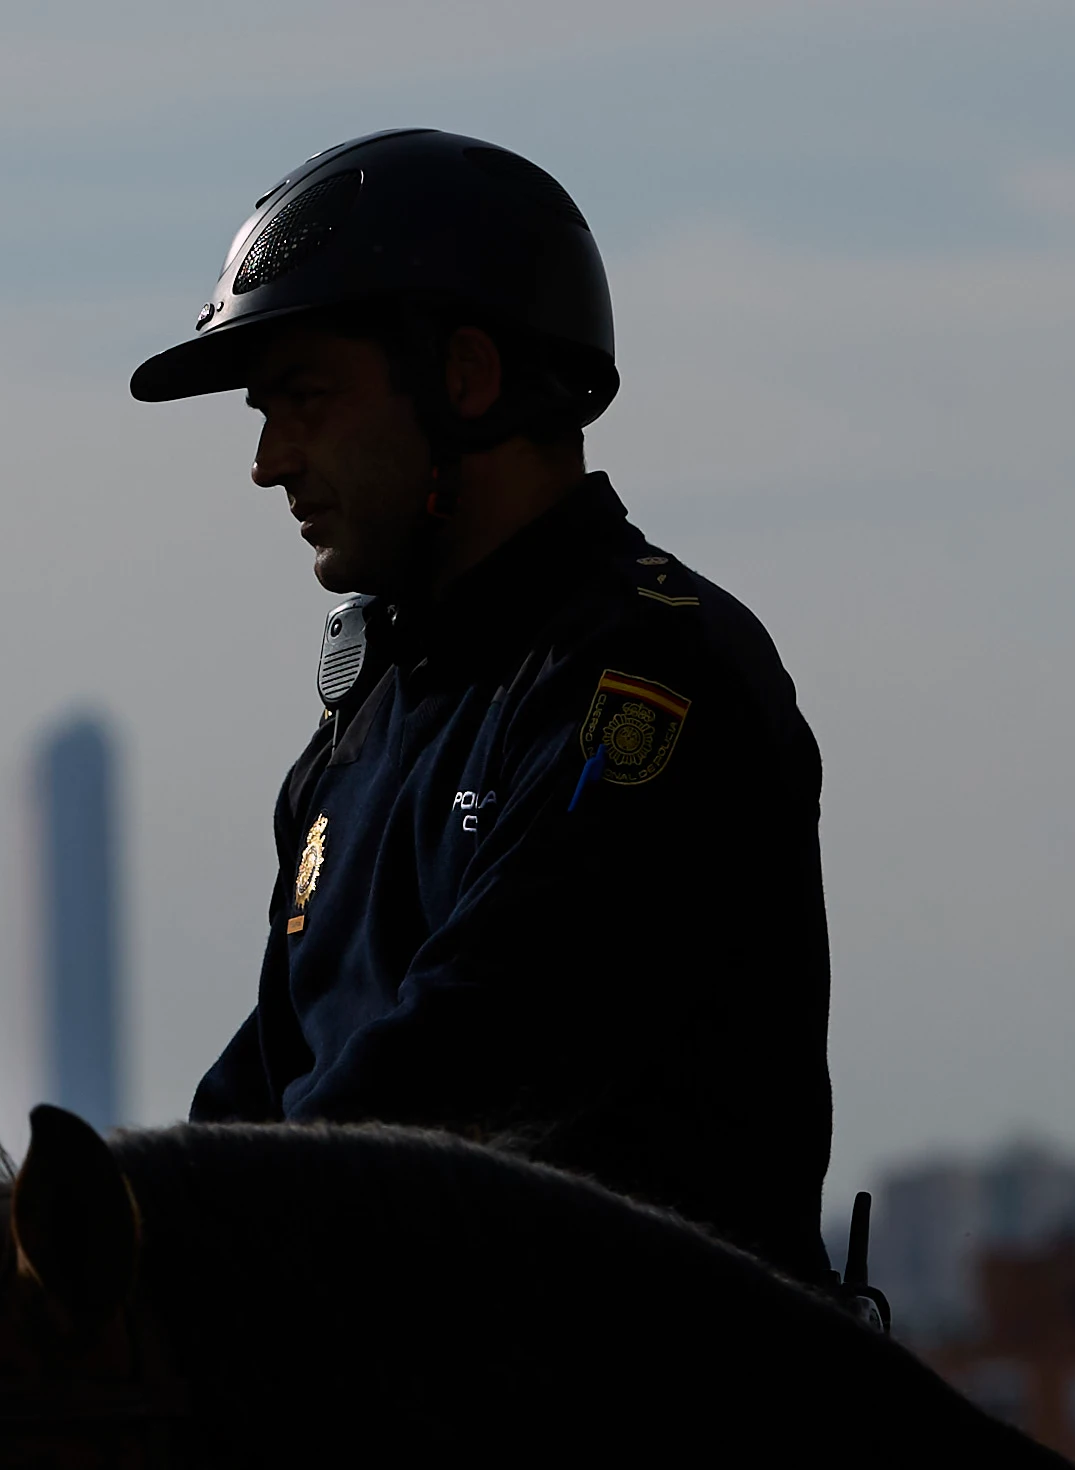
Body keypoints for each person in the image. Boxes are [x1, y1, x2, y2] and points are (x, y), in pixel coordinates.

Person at [151, 130, 838, 1285]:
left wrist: (176, 1226)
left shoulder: (645, 672)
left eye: (306, 399)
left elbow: (470, 1055)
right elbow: (268, 1074)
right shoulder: (365, 722)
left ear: (463, 378)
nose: (269, 461)